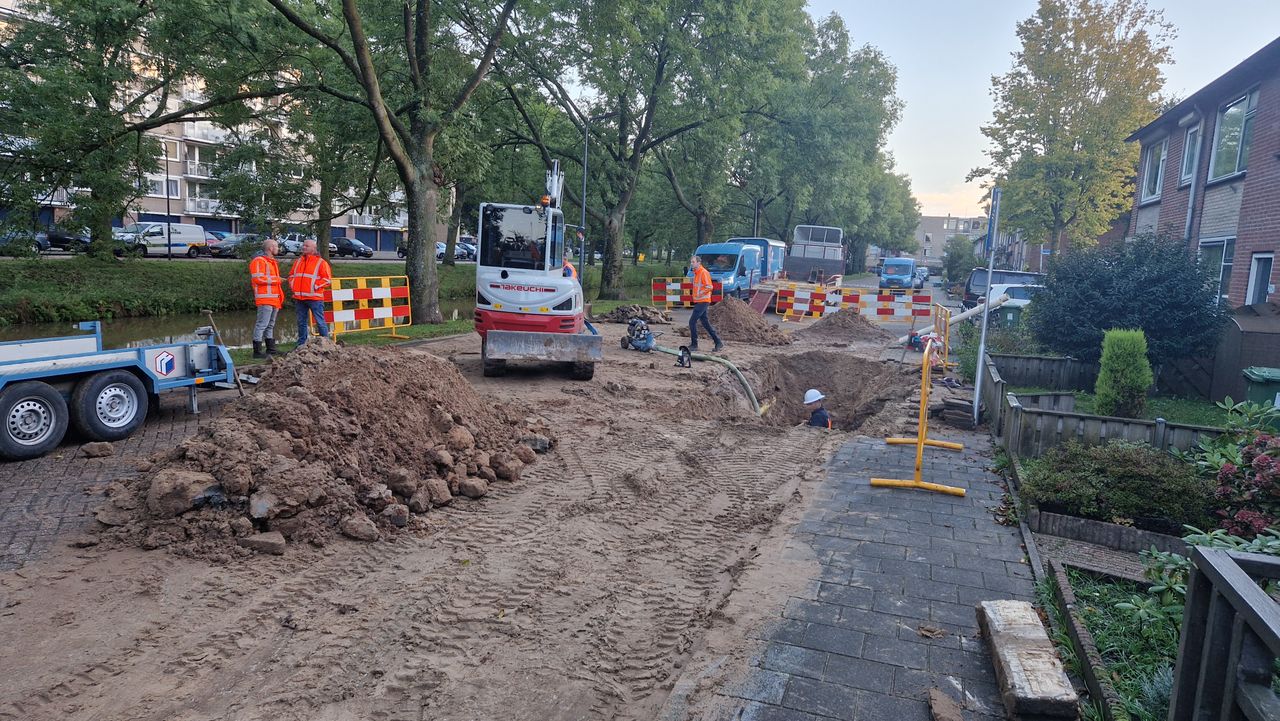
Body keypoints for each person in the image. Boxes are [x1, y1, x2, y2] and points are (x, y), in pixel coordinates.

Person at [288, 238, 332, 345]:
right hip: (299, 298)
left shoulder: (321, 263)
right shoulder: (298, 261)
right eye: (303, 245)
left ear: (313, 248)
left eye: (307, 246)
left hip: (315, 298)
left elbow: (327, 280)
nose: (304, 247)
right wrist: (293, 286)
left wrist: (314, 286)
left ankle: (326, 344)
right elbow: (291, 276)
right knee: (301, 322)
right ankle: (301, 344)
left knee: (320, 322)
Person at [248, 238, 283, 358]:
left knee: (270, 324)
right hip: (265, 299)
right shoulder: (259, 261)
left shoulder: (271, 262)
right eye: (277, 246)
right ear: (270, 248)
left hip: (274, 298)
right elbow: (258, 279)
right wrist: (277, 280)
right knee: (262, 324)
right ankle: (257, 352)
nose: (278, 249)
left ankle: (270, 349)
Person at [688, 255, 724, 352]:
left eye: (693, 262)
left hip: (703, 301)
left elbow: (709, 287)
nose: (691, 263)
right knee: (705, 323)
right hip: (700, 301)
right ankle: (718, 342)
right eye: (691, 262)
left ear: (699, 263)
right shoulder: (696, 273)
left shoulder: (703, 273)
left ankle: (694, 344)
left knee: (692, 322)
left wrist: (700, 293)